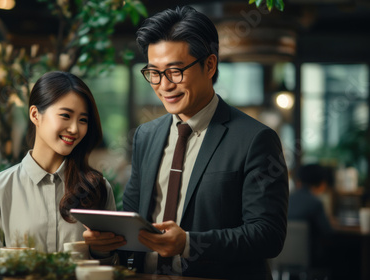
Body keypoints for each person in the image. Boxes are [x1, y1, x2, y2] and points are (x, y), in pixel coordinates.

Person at [83, 6, 289, 279]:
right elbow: (134, 222)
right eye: (154, 73)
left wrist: (189, 244)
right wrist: (104, 246)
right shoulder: (146, 135)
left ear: (210, 65)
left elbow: (268, 235)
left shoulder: (255, 139)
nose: (164, 85)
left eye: (175, 71)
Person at [0, 71, 116, 252]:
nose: (74, 129)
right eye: (66, 115)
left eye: (83, 120)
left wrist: (101, 251)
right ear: (35, 115)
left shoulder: (98, 188)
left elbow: (112, 268)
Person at [288, 163, 333, 267]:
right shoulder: (315, 203)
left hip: (283, 257)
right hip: (311, 259)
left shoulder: (287, 200)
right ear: (322, 183)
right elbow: (328, 232)